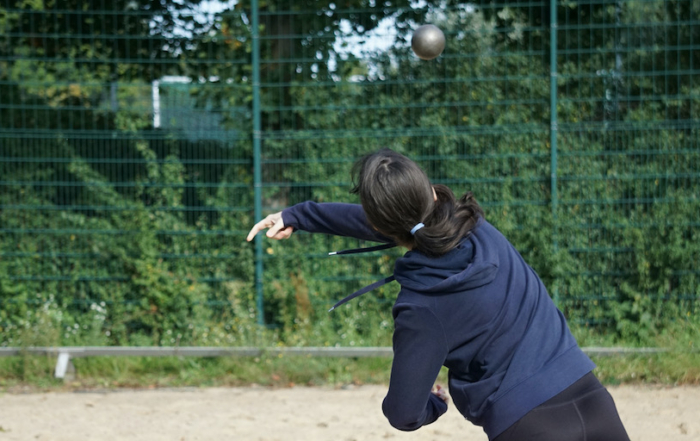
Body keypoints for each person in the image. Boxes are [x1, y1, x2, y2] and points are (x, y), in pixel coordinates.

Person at [246, 149, 630, 441]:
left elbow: (402, 413)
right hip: (594, 401)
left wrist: (434, 405)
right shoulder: (478, 228)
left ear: (379, 224)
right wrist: (300, 216)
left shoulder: (420, 306)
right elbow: (403, 221)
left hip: (527, 426)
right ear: (430, 193)